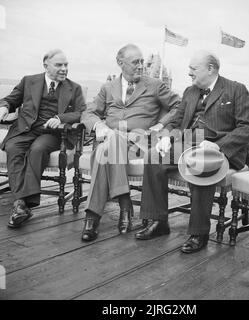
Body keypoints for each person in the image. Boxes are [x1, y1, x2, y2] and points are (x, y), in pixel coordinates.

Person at [136, 50, 249, 253]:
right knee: (153, 156)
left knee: (199, 163)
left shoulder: (236, 90)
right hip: (188, 143)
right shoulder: (190, 92)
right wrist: (166, 136)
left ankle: (199, 232)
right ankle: (158, 222)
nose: (189, 73)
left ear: (210, 69)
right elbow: (176, 120)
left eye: (193, 69)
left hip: (219, 147)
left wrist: (219, 146)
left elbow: (247, 128)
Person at [80, 43, 181, 242]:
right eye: (136, 62)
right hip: (111, 143)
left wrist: (161, 124)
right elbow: (89, 112)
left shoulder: (154, 85)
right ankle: (124, 205)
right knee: (108, 148)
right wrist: (100, 127)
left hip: (139, 144)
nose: (141, 66)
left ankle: (93, 218)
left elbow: (179, 106)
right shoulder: (108, 88)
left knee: (105, 149)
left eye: (142, 61)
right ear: (120, 63)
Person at [0, 49, 86, 228]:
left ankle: (21, 204)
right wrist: (5, 106)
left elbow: (81, 112)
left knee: (38, 150)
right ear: (46, 66)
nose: (64, 69)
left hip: (53, 134)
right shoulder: (29, 81)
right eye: (59, 65)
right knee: (13, 148)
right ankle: (21, 205)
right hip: (25, 129)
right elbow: (11, 99)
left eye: (66, 65)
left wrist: (60, 118)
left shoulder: (74, 88)